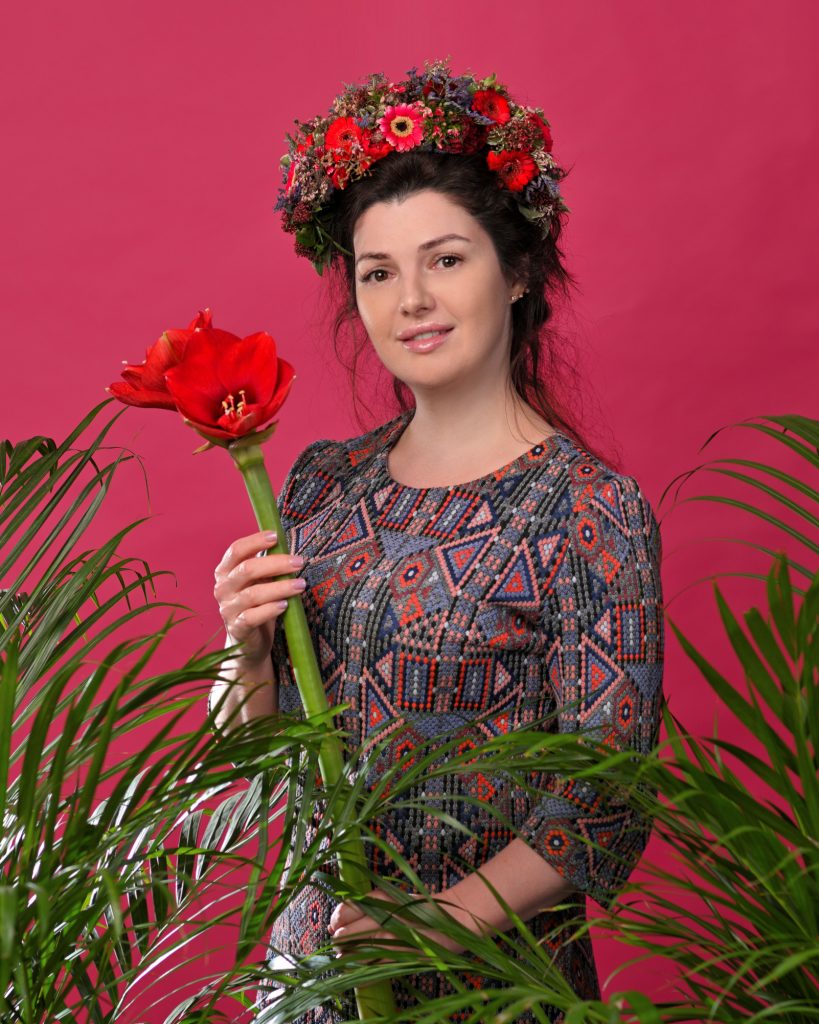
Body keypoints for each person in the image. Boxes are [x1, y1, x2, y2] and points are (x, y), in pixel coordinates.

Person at [210, 59, 665, 1023]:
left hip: (491, 990)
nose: (410, 298)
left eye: (445, 260)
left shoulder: (586, 510)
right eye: (378, 272)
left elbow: (606, 796)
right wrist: (244, 651)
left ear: (519, 272)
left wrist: (440, 921)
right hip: (308, 984)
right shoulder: (321, 483)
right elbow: (264, 767)